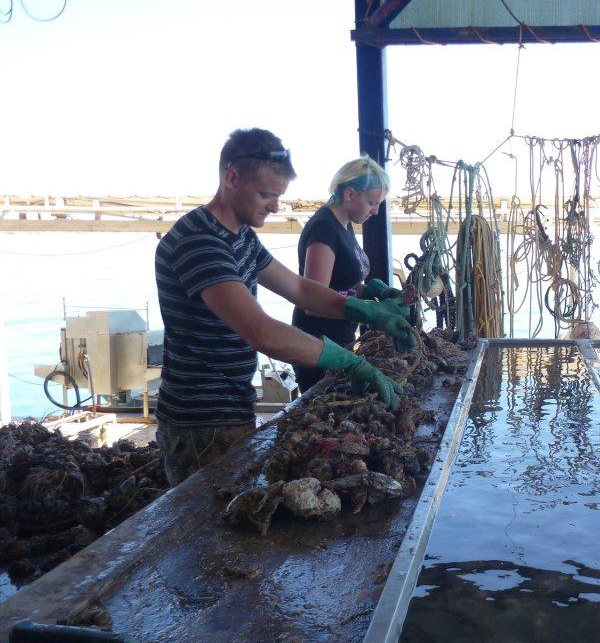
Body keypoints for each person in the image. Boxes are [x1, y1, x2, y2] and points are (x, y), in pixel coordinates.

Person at [154, 128, 417, 485]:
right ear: (232, 178)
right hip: (200, 421)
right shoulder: (200, 243)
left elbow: (299, 288)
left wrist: (367, 311)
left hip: (233, 405)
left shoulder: (240, 236)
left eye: (279, 195)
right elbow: (262, 332)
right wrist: (350, 361)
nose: (276, 206)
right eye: (266, 194)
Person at [290, 156, 404, 393]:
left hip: (340, 338)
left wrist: (374, 293)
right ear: (350, 194)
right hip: (319, 344)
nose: (376, 211)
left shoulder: (344, 223)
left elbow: (342, 282)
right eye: (373, 202)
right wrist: (369, 312)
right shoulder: (324, 228)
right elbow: (312, 300)